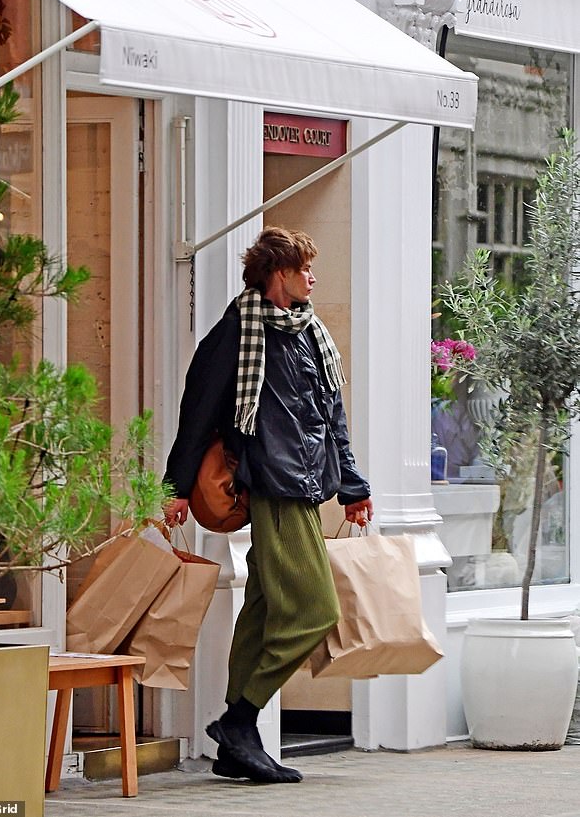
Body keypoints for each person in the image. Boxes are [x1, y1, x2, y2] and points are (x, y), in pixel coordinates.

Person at [163, 226, 372, 784]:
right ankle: (240, 719)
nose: (312, 276)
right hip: (272, 488)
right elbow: (198, 412)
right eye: (303, 268)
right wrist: (176, 488)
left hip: (308, 485)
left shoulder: (309, 332)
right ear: (275, 273)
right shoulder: (237, 333)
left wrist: (353, 486)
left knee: (259, 611)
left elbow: (333, 417)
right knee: (313, 612)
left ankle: (237, 745)